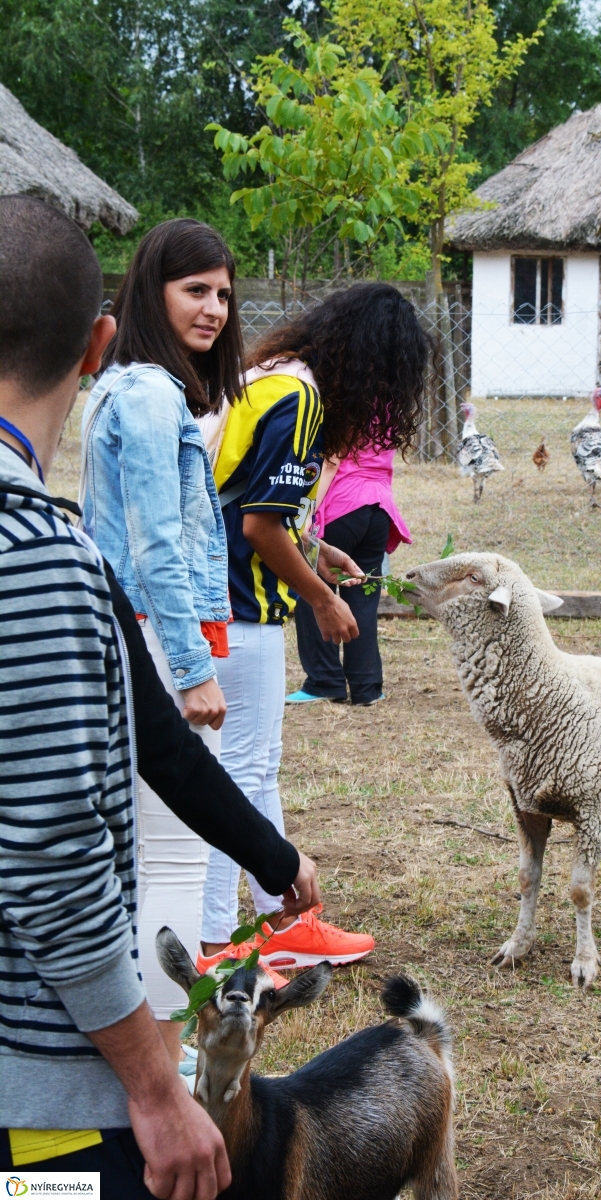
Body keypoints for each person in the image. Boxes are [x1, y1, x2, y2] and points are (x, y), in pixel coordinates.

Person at [0, 196, 318, 1193]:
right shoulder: (41, 567)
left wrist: (271, 855)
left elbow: (153, 741)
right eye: (198, 288)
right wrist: (150, 1086)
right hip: (33, 1110)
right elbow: (51, 864)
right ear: (98, 342)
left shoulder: (64, 563)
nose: (216, 309)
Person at [200, 283, 428, 968]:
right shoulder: (302, 400)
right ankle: (219, 940)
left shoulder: (267, 379)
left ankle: (278, 921)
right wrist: (323, 597)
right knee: (238, 777)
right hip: (240, 610)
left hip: (220, 605)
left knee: (246, 771)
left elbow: (247, 498)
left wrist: (314, 545)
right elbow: (257, 525)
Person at [80, 218, 245, 1066]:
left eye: (222, 293)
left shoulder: (129, 390)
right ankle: (171, 1054)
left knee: (144, 855)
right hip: (150, 636)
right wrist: (190, 668)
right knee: (177, 856)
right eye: (194, 291)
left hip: (137, 631)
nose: (214, 308)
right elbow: (154, 547)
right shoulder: (148, 397)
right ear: (152, 292)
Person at [287, 439, 412, 706]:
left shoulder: (348, 399)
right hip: (378, 506)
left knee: (312, 588)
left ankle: (324, 680)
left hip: (340, 505)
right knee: (363, 597)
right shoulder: (391, 399)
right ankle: (366, 686)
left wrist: (306, 512)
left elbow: (332, 459)